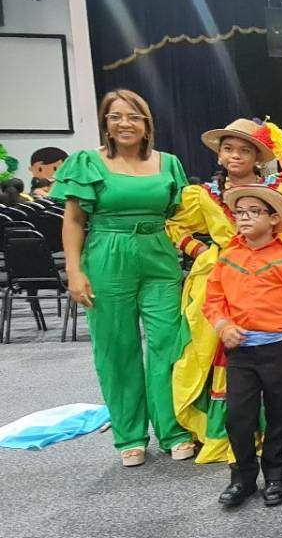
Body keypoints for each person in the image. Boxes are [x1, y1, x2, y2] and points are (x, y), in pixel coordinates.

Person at [166, 118, 282, 464]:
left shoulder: (281, 191)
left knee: (281, 349)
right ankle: (236, 432)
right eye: (229, 148)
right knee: (223, 347)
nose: (235, 156)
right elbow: (176, 223)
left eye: (245, 150)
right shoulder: (204, 196)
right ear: (219, 154)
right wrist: (201, 251)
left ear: (258, 156)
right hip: (225, 276)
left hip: (275, 277)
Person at [52, 89, 194, 466]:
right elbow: (74, 219)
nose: (125, 123)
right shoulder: (87, 162)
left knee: (169, 341)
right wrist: (74, 270)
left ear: (147, 124)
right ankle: (129, 435)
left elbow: (179, 213)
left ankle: (174, 429)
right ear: (106, 125)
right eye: (115, 117)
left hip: (158, 255)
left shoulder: (169, 163)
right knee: (116, 347)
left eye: (133, 116)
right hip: (106, 254)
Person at [204, 186, 282, 507]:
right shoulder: (228, 258)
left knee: (279, 412)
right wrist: (223, 326)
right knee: (238, 416)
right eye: (239, 212)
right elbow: (213, 300)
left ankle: (276, 473)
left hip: (279, 349)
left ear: (273, 219)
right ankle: (242, 477)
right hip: (240, 352)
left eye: (253, 211)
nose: (243, 218)